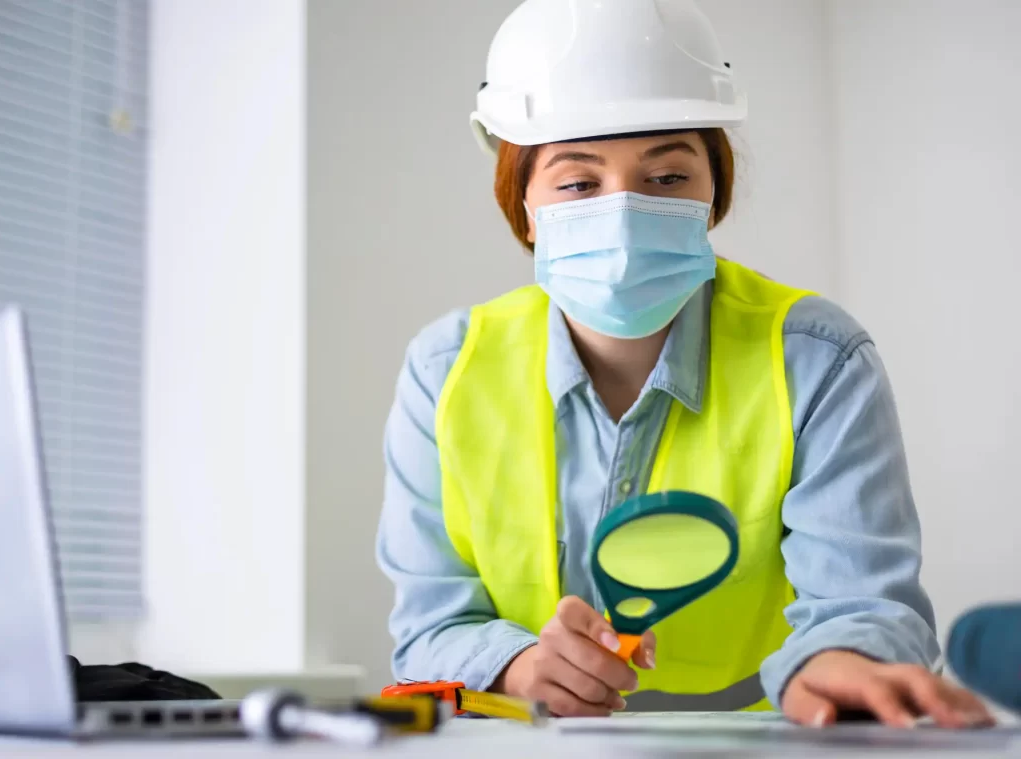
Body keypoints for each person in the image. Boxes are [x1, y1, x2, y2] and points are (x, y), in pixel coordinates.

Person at [376, 0, 992, 727]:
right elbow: (427, 628)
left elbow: (867, 604)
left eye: (667, 177)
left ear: (714, 188)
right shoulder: (447, 372)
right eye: (578, 183)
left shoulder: (819, 358)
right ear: (524, 202)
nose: (626, 211)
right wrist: (519, 665)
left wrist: (839, 660)